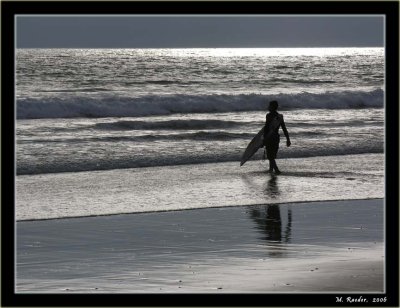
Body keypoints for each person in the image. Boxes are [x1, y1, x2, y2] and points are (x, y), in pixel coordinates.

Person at [263, 100, 291, 174]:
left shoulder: (268, 116)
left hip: (270, 138)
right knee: (272, 155)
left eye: (269, 106)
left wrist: (263, 139)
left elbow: (266, 128)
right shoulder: (280, 117)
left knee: (270, 156)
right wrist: (288, 139)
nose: (268, 107)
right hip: (276, 138)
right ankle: (271, 170)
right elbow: (284, 128)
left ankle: (276, 170)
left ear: (272, 107)